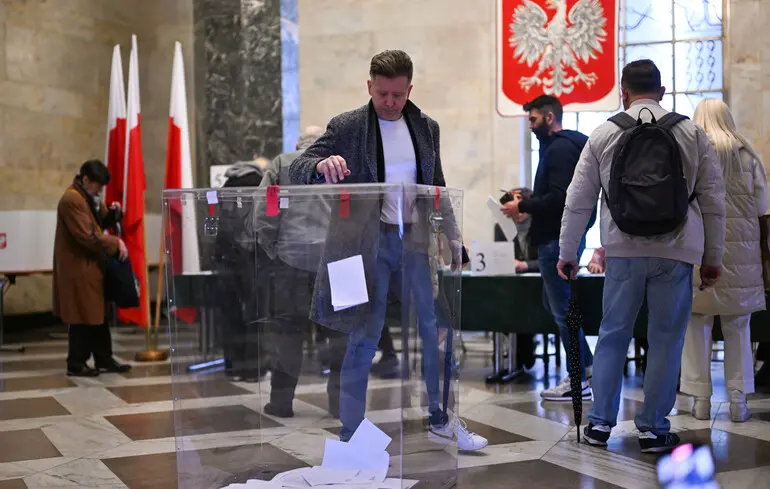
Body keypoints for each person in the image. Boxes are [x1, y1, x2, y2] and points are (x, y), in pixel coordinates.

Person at [289, 50, 486, 451]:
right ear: (369, 87)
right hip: (367, 244)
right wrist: (321, 165)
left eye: (398, 94)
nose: (390, 102)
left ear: (410, 89)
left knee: (434, 331)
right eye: (382, 94)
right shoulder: (347, 126)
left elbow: (437, 185)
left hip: (414, 242)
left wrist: (453, 235)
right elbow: (299, 166)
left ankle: (440, 417)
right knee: (365, 334)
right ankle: (351, 433)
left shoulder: (426, 128)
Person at [558, 59, 726, 453]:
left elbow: (578, 200)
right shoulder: (691, 133)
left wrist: (568, 252)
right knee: (666, 339)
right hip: (677, 249)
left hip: (622, 250)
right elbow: (714, 201)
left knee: (613, 334)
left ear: (624, 93)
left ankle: (600, 425)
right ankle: (652, 428)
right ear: (662, 92)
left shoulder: (603, 134)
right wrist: (712, 257)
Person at [500, 95, 596, 402]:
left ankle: (579, 379)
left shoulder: (560, 149)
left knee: (563, 310)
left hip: (556, 240)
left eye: (533, 119)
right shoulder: (564, 146)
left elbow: (560, 198)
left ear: (550, 117)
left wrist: (522, 206)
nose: (530, 125)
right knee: (555, 304)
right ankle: (587, 368)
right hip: (561, 237)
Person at [680, 98, 767, 422]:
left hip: (699, 251)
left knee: (695, 324)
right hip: (743, 256)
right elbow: (762, 208)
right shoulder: (748, 156)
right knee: (738, 327)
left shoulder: (691, 153)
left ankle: (700, 400)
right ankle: (738, 402)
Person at [253, 126, 335, 418]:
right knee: (338, 337)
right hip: (332, 264)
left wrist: (273, 249)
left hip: (291, 262)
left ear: (299, 144)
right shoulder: (340, 165)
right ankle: (341, 405)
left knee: (288, 336)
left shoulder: (282, 163)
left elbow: (264, 209)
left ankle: (281, 402)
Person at [53, 160, 132, 377]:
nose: (100, 191)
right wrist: (116, 243)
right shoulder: (72, 199)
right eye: (98, 186)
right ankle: (76, 362)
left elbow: (99, 222)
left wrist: (113, 214)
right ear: (86, 179)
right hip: (78, 267)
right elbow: (87, 236)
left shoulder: (87, 197)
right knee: (82, 316)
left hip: (91, 266)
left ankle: (103, 358)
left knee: (97, 315)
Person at [487, 188, 539, 383]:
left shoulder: (541, 226)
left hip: (537, 287)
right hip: (512, 289)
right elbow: (499, 256)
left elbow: (549, 261)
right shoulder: (502, 228)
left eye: (517, 200)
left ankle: (522, 355)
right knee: (498, 305)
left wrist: (525, 265)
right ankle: (503, 362)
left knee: (522, 308)